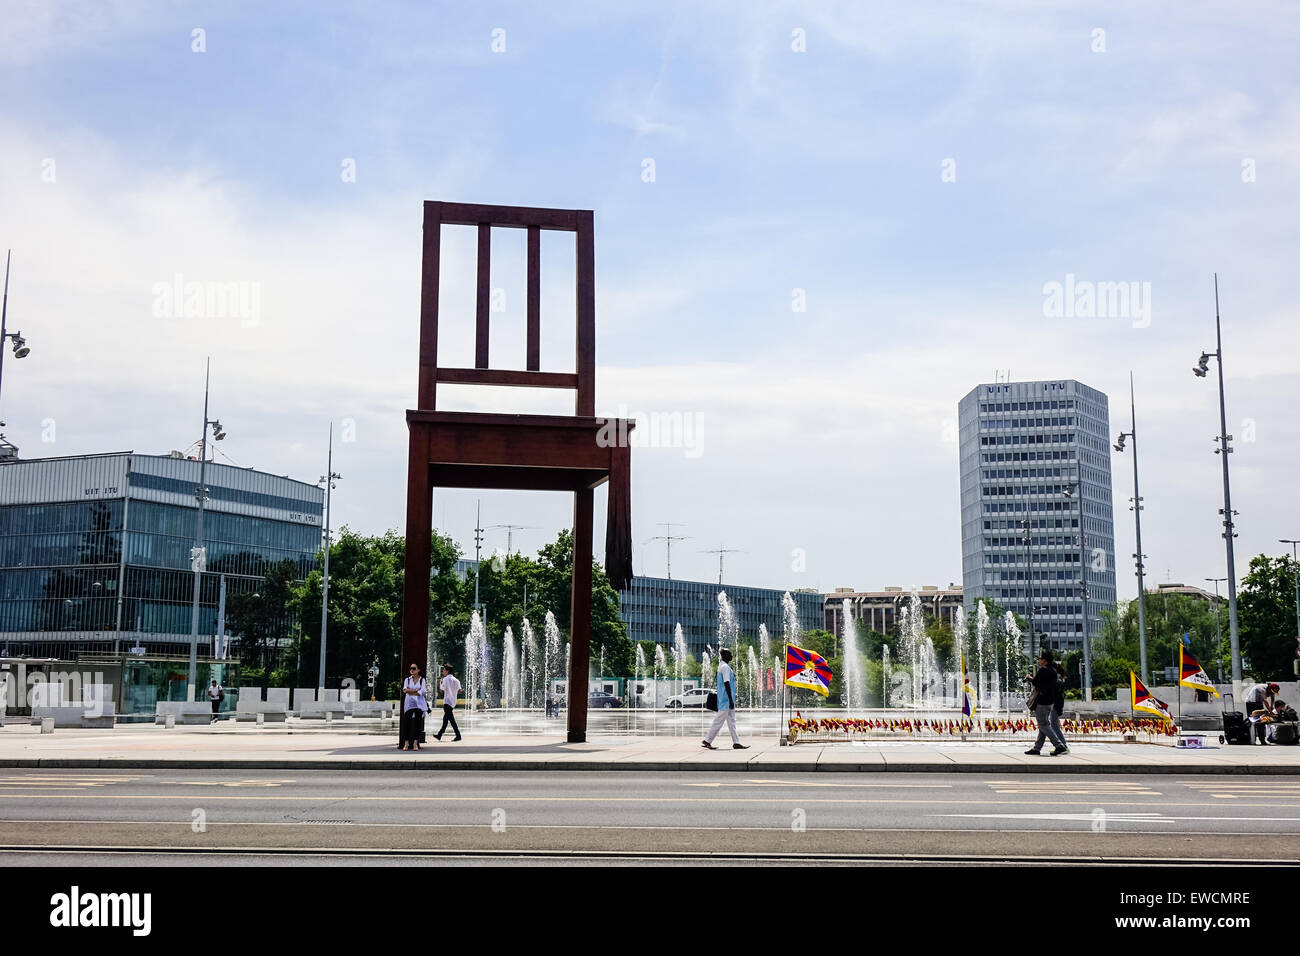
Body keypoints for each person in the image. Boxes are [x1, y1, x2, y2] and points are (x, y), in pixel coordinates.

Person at [702, 648, 749, 751]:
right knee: (718, 720)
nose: (732, 655)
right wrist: (731, 700)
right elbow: (726, 683)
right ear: (725, 656)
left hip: (725, 699)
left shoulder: (722, 666)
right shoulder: (725, 667)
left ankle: (736, 742)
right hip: (726, 699)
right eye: (730, 654)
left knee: (732, 721)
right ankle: (707, 740)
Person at [1024, 650, 1068, 756]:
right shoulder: (1053, 670)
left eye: (1040, 659)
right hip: (1050, 701)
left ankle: (1059, 745)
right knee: (1043, 724)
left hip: (1042, 701)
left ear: (1044, 660)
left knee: (1043, 725)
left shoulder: (1043, 670)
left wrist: (1029, 678)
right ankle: (1037, 748)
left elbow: (1035, 682)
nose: (1039, 661)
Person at [400, 664, 428, 751]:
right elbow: (405, 690)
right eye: (410, 668)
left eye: (414, 668)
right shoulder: (407, 680)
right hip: (409, 704)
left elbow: (422, 692)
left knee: (417, 724)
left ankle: (415, 743)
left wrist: (410, 691)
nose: (412, 670)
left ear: (418, 670)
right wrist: (415, 690)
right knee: (406, 724)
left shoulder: (422, 680)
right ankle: (406, 743)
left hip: (419, 704)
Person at [434, 664, 462, 742]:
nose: (443, 672)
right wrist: (453, 691)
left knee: (451, 720)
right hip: (453, 702)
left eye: (444, 670)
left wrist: (441, 683)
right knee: (445, 719)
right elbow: (460, 691)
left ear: (447, 671)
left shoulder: (445, 679)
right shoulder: (456, 680)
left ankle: (458, 735)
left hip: (447, 702)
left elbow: (441, 690)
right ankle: (439, 735)